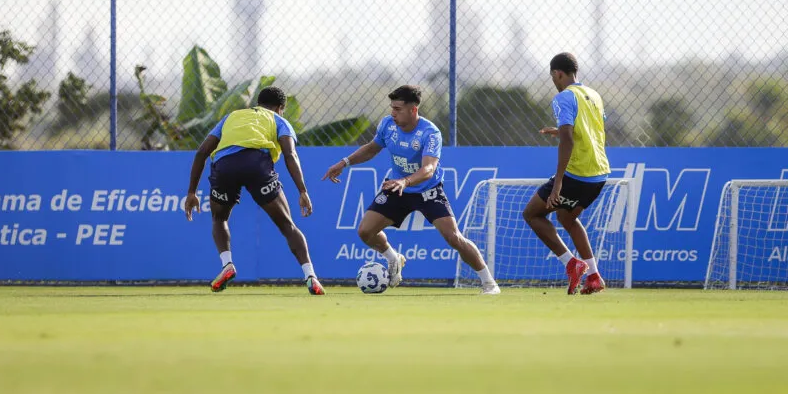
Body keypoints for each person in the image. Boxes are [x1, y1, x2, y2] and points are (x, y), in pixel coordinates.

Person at [322, 85, 501, 295]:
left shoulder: (430, 132)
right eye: (392, 108)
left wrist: (405, 182)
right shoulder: (387, 125)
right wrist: (344, 162)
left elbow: (428, 169)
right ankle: (393, 258)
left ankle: (489, 283)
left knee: (453, 237)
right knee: (365, 231)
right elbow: (372, 148)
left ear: (413, 110)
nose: (393, 113)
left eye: (398, 109)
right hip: (397, 188)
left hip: (427, 190)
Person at [184, 86, 325, 295]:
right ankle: (310, 276)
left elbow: (202, 152)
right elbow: (290, 154)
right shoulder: (279, 121)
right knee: (287, 225)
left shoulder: (232, 116)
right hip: (256, 164)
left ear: (258, 102)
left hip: (225, 166)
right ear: (280, 108)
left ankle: (227, 264)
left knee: (219, 219)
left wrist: (191, 192)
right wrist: (302, 191)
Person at [522, 53, 611, 295]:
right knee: (567, 218)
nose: (553, 81)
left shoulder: (563, 97)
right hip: (599, 173)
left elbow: (569, 139)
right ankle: (593, 276)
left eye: (553, 77)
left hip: (577, 173)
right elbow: (591, 129)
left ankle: (572, 264)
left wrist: (559, 181)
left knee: (532, 214)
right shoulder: (593, 95)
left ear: (557, 74)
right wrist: (559, 131)